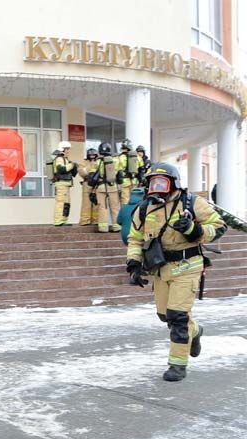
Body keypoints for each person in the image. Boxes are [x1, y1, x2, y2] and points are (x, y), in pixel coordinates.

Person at [126, 162, 226, 381]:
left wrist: (195, 230)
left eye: (162, 182)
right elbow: (135, 238)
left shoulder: (191, 203)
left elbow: (219, 226)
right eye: (153, 182)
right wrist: (133, 264)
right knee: (165, 316)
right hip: (160, 269)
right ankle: (196, 331)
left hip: (187, 266)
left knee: (178, 317)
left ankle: (177, 365)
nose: (158, 186)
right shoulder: (144, 208)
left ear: (174, 183)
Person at [95, 142, 122, 233]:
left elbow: (92, 174)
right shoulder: (116, 160)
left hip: (101, 187)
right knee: (115, 207)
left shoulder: (98, 161)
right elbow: (119, 173)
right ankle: (117, 227)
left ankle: (103, 228)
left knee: (102, 207)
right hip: (113, 187)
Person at [52, 141, 76, 226]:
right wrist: (71, 165)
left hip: (66, 184)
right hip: (61, 184)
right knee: (60, 202)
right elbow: (61, 169)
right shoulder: (59, 159)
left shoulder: (65, 159)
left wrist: (73, 167)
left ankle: (64, 220)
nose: (69, 151)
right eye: (68, 149)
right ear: (63, 149)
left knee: (66, 203)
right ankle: (58, 221)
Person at [77, 148, 100, 226]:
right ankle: (85, 220)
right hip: (87, 183)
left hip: (97, 185)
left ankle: (96, 220)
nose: (92, 156)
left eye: (94, 155)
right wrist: (91, 165)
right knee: (86, 203)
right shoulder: (83, 162)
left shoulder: (99, 162)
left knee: (96, 202)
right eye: (90, 155)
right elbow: (82, 172)